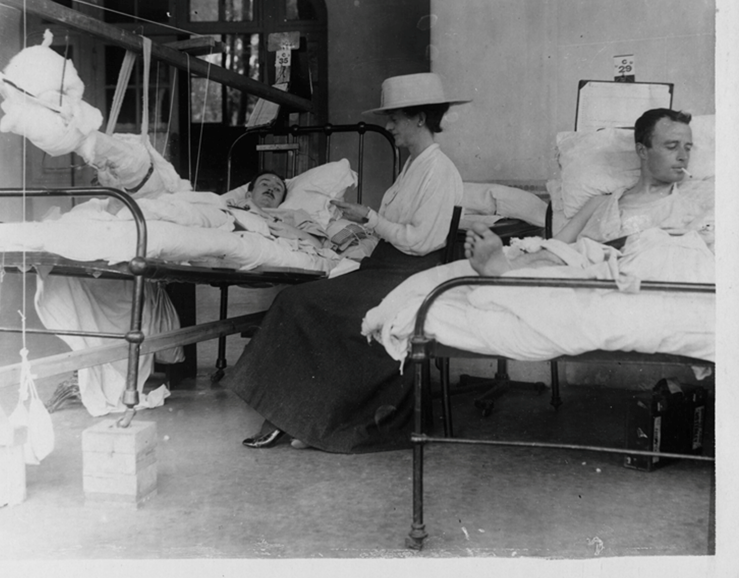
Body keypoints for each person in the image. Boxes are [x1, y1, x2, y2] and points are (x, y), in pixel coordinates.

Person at [222, 72, 469, 452]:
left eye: (396, 118)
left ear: (420, 118)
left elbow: (420, 241)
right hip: (385, 267)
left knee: (300, 303)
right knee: (305, 300)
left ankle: (296, 418)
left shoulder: (438, 170)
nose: (389, 126)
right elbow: (395, 231)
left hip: (409, 275)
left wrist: (369, 217)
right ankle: (300, 416)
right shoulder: (414, 165)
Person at [465, 108, 704, 276]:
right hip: (584, 274)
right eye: (672, 146)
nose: (683, 156)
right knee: (565, 254)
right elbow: (555, 246)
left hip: (639, 279)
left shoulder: (691, 204)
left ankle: (505, 271)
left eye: (688, 148)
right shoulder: (601, 203)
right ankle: (506, 269)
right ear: (642, 151)